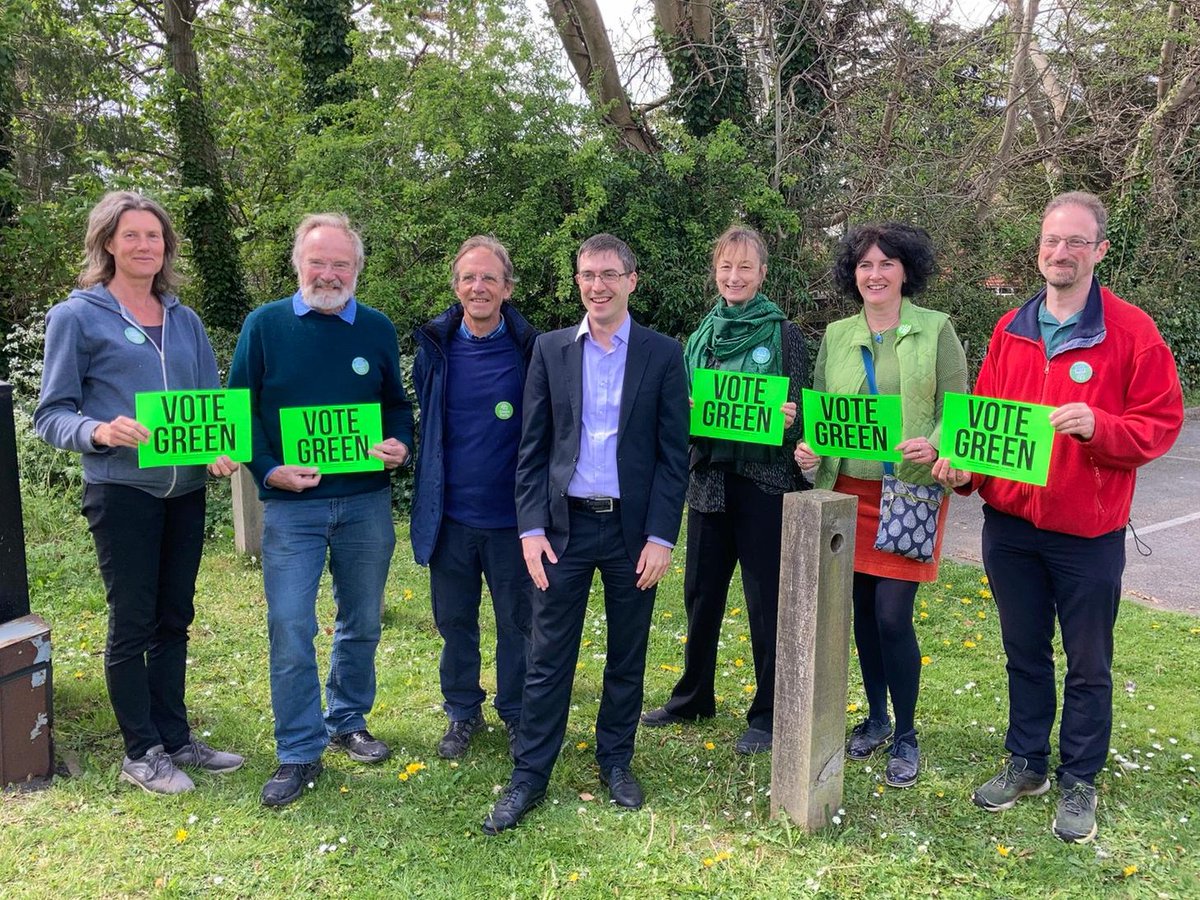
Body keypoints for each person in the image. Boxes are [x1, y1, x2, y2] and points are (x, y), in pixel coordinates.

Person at [933, 192, 1183, 843]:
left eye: (1076, 241)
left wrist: (1102, 426)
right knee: (1023, 653)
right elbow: (984, 426)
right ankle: (1028, 763)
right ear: (1038, 249)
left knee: (1089, 663)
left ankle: (1079, 779)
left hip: (1088, 534)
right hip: (1010, 529)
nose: (1061, 252)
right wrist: (964, 472)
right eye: (1052, 240)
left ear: (1100, 250)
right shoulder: (1009, 329)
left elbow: (1160, 425)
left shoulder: (1133, 333)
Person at [35, 191, 244, 794]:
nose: (145, 246)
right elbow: (52, 415)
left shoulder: (185, 319)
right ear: (107, 243)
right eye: (132, 236)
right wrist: (97, 430)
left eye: (154, 236)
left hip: (183, 494)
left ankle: (176, 737)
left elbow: (210, 407)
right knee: (133, 621)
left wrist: (220, 449)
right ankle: (141, 751)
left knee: (175, 617)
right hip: (121, 491)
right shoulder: (76, 317)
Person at [482, 234, 689, 834]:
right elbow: (533, 448)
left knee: (628, 653)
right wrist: (529, 528)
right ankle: (529, 775)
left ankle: (616, 760)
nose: (596, 286)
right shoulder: (550, 350)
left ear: (632, 280)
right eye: (585, 275)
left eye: (607, 274)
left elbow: (674, 456)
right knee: (547, 657)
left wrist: (661, 536)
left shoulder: (661, 353)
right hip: (563, 529)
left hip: (632, 532)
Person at [228, 213, 414, 808]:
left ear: (358, 269)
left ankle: (348, 720)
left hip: (365, 504)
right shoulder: (265, 326)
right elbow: (238, 410)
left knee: (361, 620)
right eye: (318, 262)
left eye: (341, 264)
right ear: (297, 265)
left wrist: (398, 445)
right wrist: (266, 469)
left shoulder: (377, 329)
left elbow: (397, 406)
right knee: (290, 626)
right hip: (291, 509)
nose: (329, 274)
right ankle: (298, 750)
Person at [795, 222, 967, 789]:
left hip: (910, 490)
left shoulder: (937, 329)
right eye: (865, 265)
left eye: (886, 264)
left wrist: (939, 441)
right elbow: (821, 412)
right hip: (849, 493)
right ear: (854, 274)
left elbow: (955, 405)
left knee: (893, 615)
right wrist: (808, 451)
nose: (875, 274)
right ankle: (875, 715)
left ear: (905, 271)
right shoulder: (837, 334)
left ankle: (908, 733)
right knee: (863, 614)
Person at [640, 226, 805, 754]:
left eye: (745, 268)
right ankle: (693, 697)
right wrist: (682, 414)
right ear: (715, 272)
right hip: (708, 482)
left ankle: (768, 713)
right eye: (725, 268)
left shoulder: (784, 334)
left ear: (762, 274)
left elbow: (804, 413)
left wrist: (790, 420)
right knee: (700, 596)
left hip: (765, 484)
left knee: (764, 602)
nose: (734, 277)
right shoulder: (700, 337)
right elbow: (677, 412)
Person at [411, 236, 538, 760]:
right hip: (451, 518)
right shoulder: (434, 349)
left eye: (489, 278)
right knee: (455, 623)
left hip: (513, 520)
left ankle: (514, 712)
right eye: (469, 277)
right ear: (456, 285)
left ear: (507, 288)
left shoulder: (533, 350)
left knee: (517, 624)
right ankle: (462, 712)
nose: (478, 287)